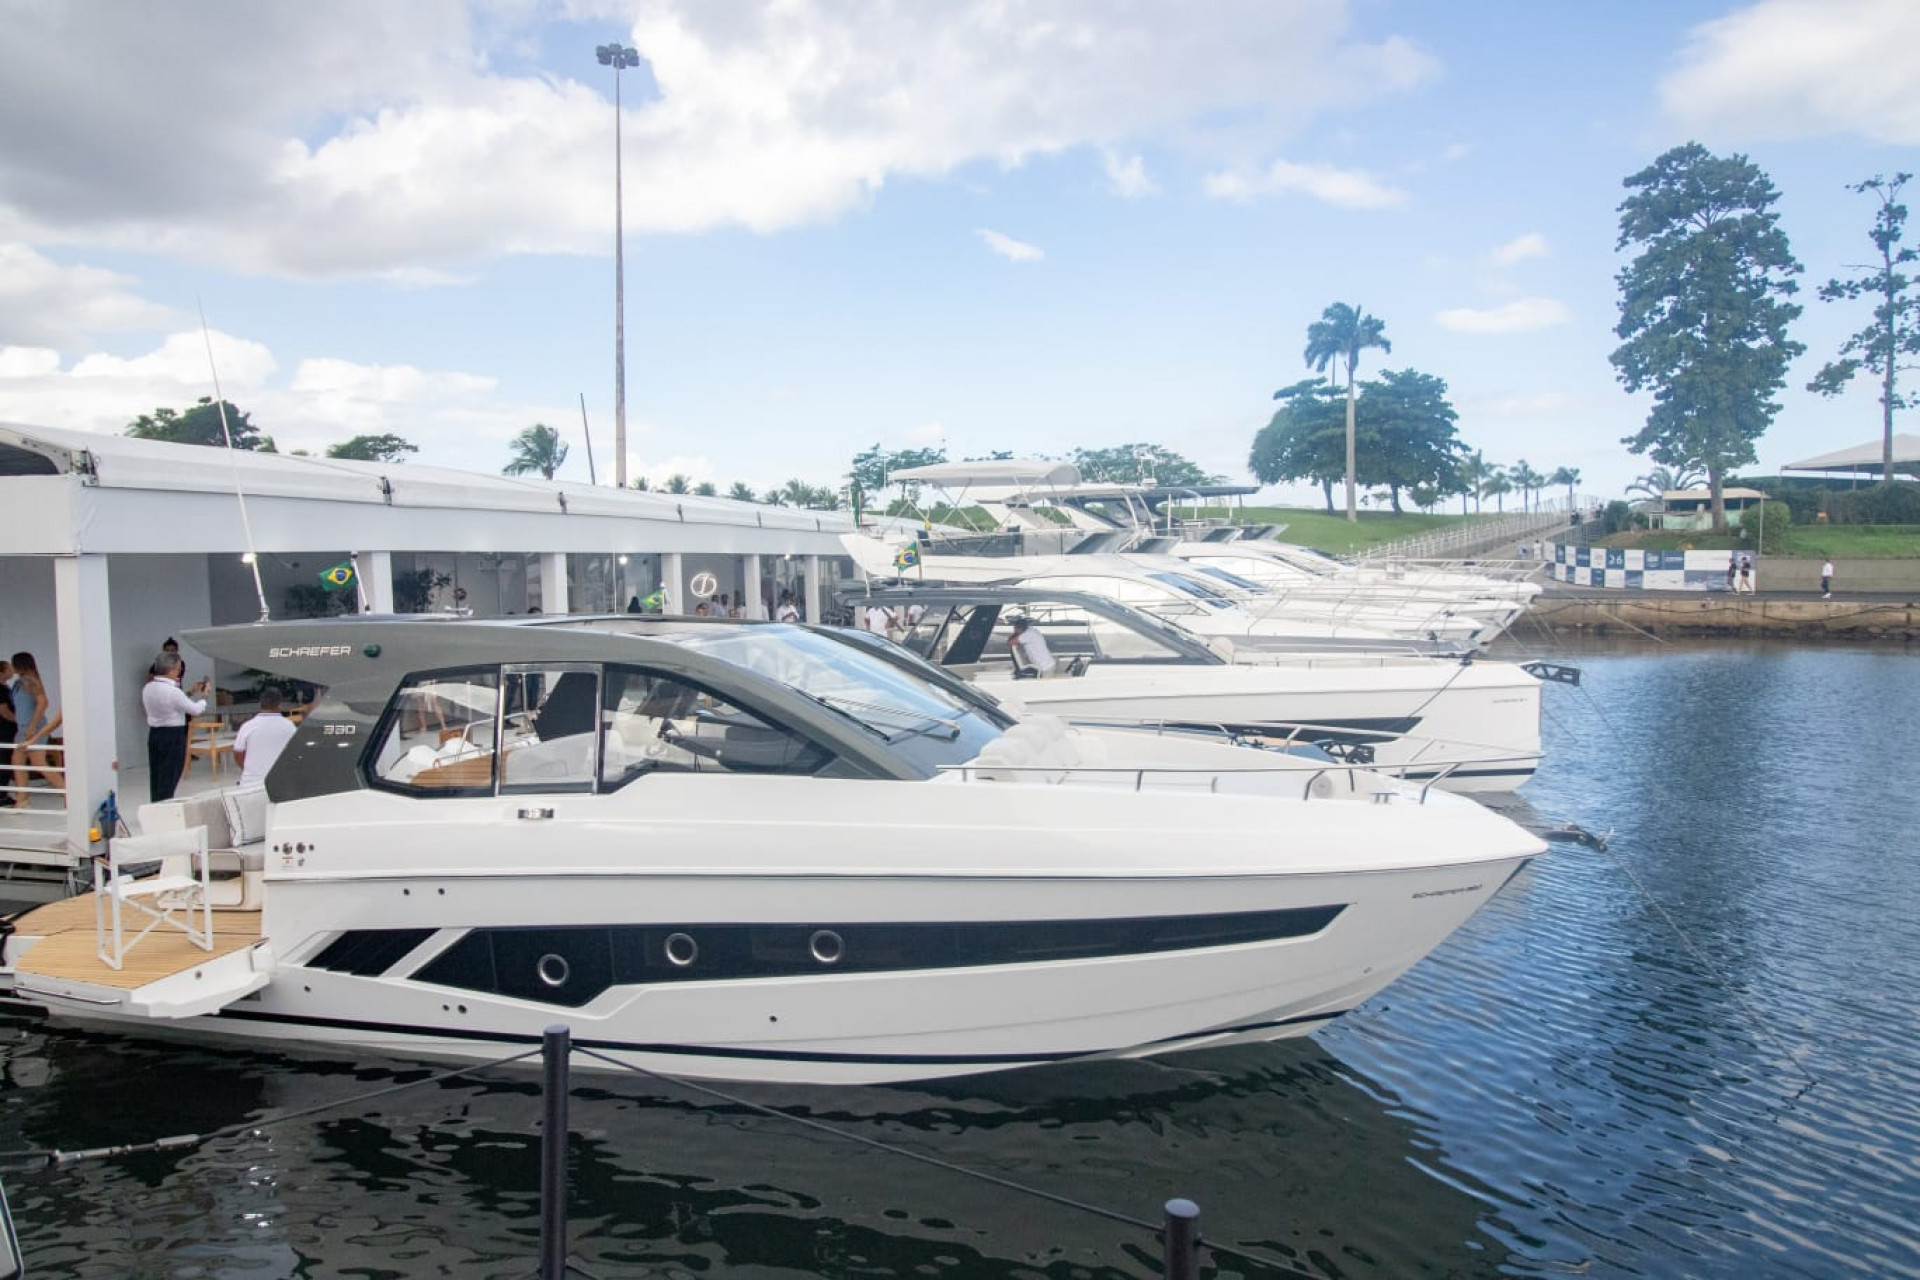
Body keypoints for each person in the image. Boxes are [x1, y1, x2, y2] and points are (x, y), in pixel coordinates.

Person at [142, 652, 209, 803]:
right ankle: (165, 806)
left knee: (157, 775)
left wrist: (191, 692)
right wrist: (204, 697)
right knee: (170, 775)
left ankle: (156, 805)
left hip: (155, 734)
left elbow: (174, 702)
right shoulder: (173, 691)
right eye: (178, 669)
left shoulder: (148, 688)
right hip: (172, 736)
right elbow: (195, 710)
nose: (178, 672)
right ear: (171, 669)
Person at [10, 652, 62, 808]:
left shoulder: (30, 681)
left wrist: (33, 724)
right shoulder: (19, 682)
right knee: (17, 761)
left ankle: (67, 790)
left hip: (33, 728)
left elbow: (43, 702)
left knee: (38, 763)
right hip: (22, 728)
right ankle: (22, 799)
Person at [233, 689, 297, 788]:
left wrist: (249, 769)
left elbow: (238, 753)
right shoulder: (289, 726)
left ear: (260, 704)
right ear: (280, 705)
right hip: (280, 782)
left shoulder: (247, 726)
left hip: (250, 783)